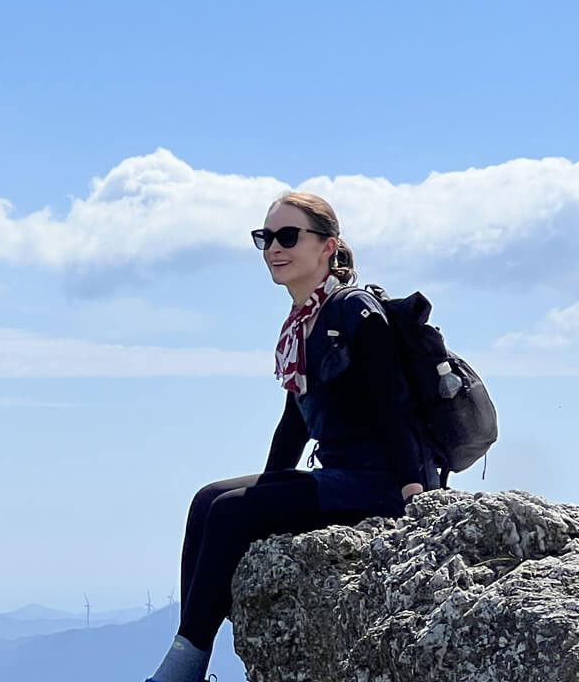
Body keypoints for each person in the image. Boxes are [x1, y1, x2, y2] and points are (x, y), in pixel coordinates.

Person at [144, 191, 439, 682]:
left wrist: (413, 492)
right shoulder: (307, 322)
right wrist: (271, 491)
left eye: (287, 236)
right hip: (340, 476)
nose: (273, 249)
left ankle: (182, 671)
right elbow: (294, 424)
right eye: (265, 238)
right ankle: (187, 658)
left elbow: (394, 407)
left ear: (329, 246)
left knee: (229, 510)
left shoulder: (355, 313)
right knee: (209, 500)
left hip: (379, 481)